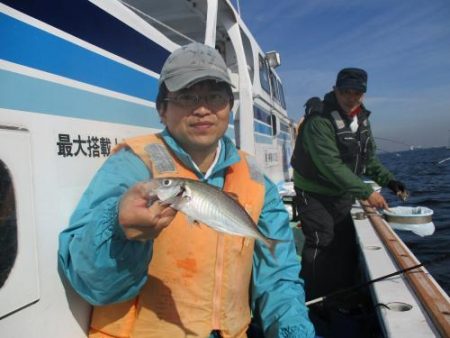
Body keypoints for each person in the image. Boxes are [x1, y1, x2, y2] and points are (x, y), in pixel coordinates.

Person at [58, 42, 314, 338]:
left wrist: (294, 332)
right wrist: (118, 228)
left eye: (215, 96)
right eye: (185, 97)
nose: (202, 108)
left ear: (229, 107)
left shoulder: (255, 178)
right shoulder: (132, 166)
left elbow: (278, 277)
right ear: (161, 110)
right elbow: (90, 284)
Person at [290, 68, 406, 327]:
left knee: (342, 244)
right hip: (314, 191)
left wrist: (389, 180)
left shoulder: (361, 119)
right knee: (321, 242)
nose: (351, 97)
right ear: (336, 89)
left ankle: (341, 295)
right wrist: (366, 192)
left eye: (357, 92)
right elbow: (330, 165)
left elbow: (369, 158)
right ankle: (315, 301)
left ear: (363, 95)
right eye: (346, 91)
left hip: (341, 192)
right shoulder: (319, 120)